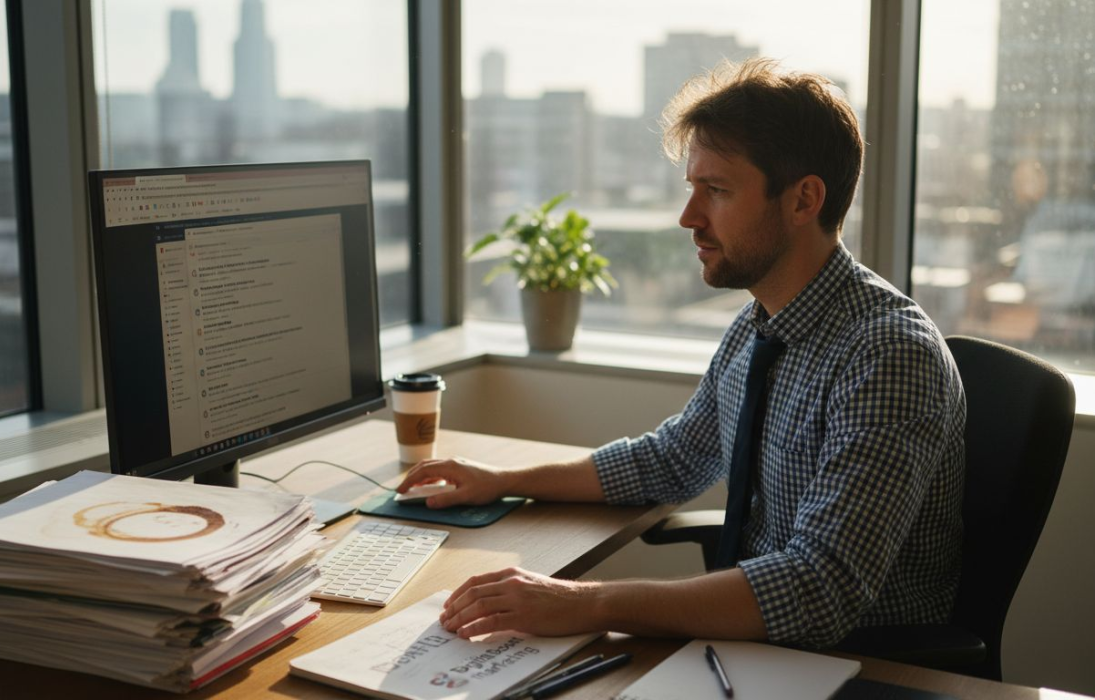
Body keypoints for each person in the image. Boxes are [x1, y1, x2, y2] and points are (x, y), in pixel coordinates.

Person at [397, 58, 965, 650]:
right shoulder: (757, 328)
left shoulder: (889, 354)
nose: (689, 218)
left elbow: (818, 590)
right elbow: (670, 459)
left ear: (803, 201)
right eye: (692, 189)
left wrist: (587, 602)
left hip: (861, 666)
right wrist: (504, 480)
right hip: (757, 652)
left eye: (716, 191)